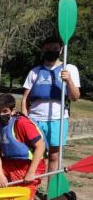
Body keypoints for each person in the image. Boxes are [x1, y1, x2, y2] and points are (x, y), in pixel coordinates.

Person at [21, 36, 81, 174]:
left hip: (57, 119)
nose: (51, 51)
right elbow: (25, 98)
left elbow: (75, 97)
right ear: (43, 49)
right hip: (35, 119)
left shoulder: (69, 68)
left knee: (54, 156)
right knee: (33, 155)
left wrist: (69, 80)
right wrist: (25, 118)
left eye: (54, 48)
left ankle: (51, 190)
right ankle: (31, 186)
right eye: (48, 48)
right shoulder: (35, 71)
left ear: (60, 50)